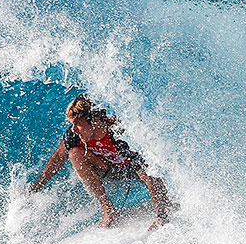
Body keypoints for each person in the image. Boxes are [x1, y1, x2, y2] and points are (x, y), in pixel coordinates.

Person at [30, 95, 173, 230]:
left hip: (134, 168)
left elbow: (150, 171)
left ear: (95, 121)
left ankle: (164, 207)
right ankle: (109, 210)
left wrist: (162, 216)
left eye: (78, 123)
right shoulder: (74, 135)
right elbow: (59, 157)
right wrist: (37, 186)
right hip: (110, 168)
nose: (74, 129)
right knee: (74, 153)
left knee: (148, 172)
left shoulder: (119, 133)